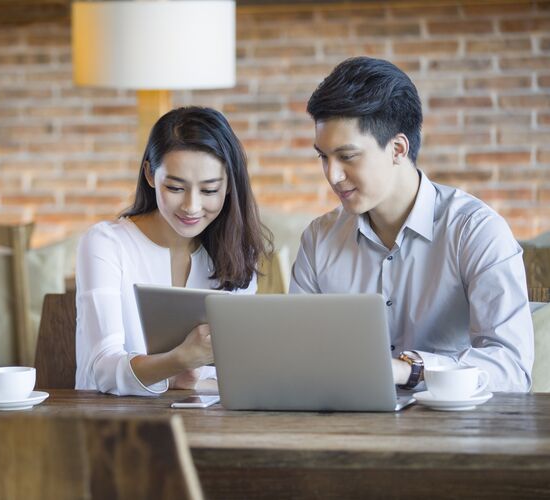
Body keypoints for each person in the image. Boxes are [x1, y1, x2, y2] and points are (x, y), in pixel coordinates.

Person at [291, 57, 533, 393]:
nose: (332, 175)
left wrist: (410, 370)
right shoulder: (319, 239)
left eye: (347, 156)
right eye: (323, 156)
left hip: (453, 430)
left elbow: (512, 368)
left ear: (398, 148)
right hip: (346, 427)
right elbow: (296, 356)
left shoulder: (476, 231)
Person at [75, 106, 270, 396]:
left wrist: (186, 379)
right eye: (176, 188)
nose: (191, 207)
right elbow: (101, 370)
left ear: (229, 185)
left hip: (207, 423)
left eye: (208, 190)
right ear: (150, 175)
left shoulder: (237, 253)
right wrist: (180, 360)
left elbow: (238, 374)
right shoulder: (106, 244)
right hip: (113, 424)